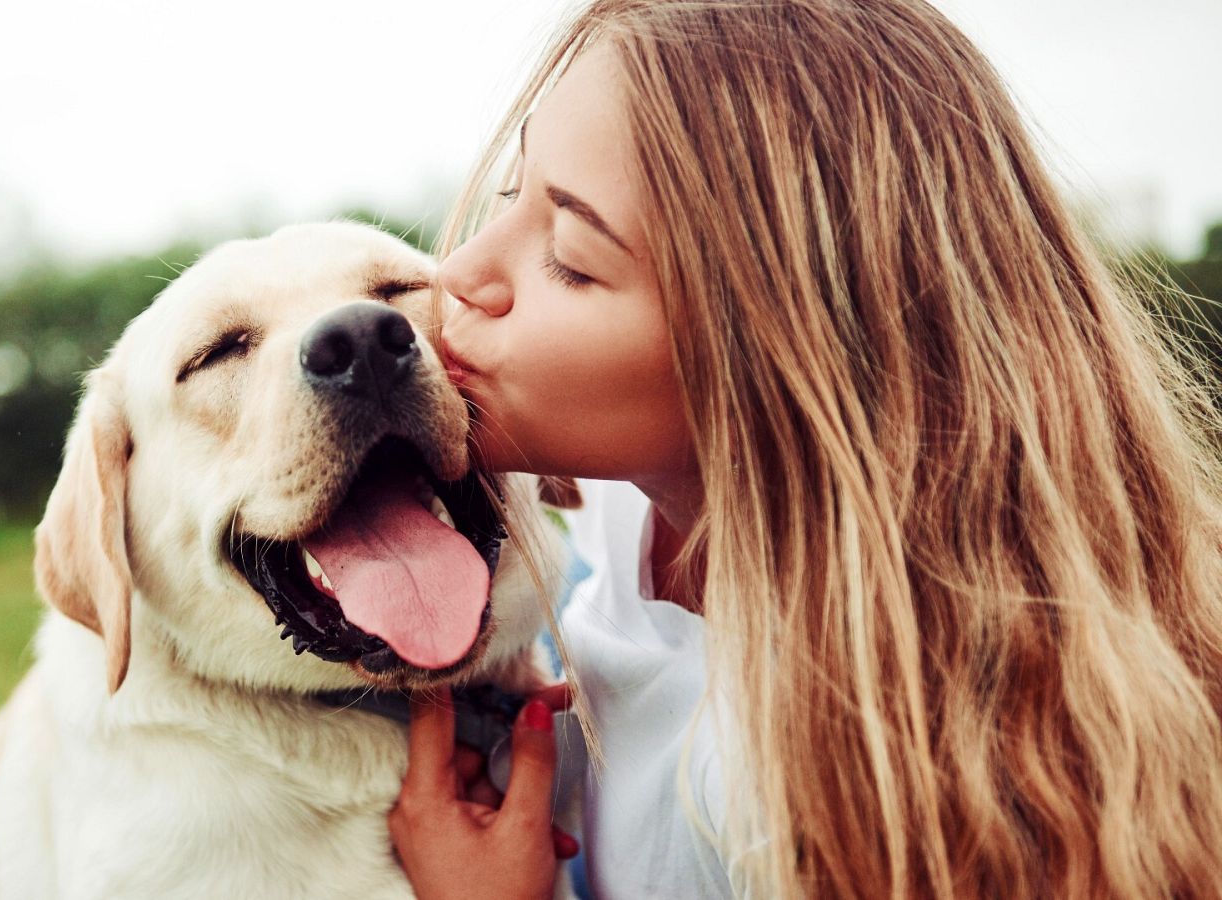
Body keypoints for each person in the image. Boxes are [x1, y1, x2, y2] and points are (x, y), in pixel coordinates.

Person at [384, 1, 1222, 897]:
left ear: (771, 357)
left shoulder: (801, 794)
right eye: (513, 193)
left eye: (573, 260)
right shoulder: (637, 499)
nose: (461, 272)